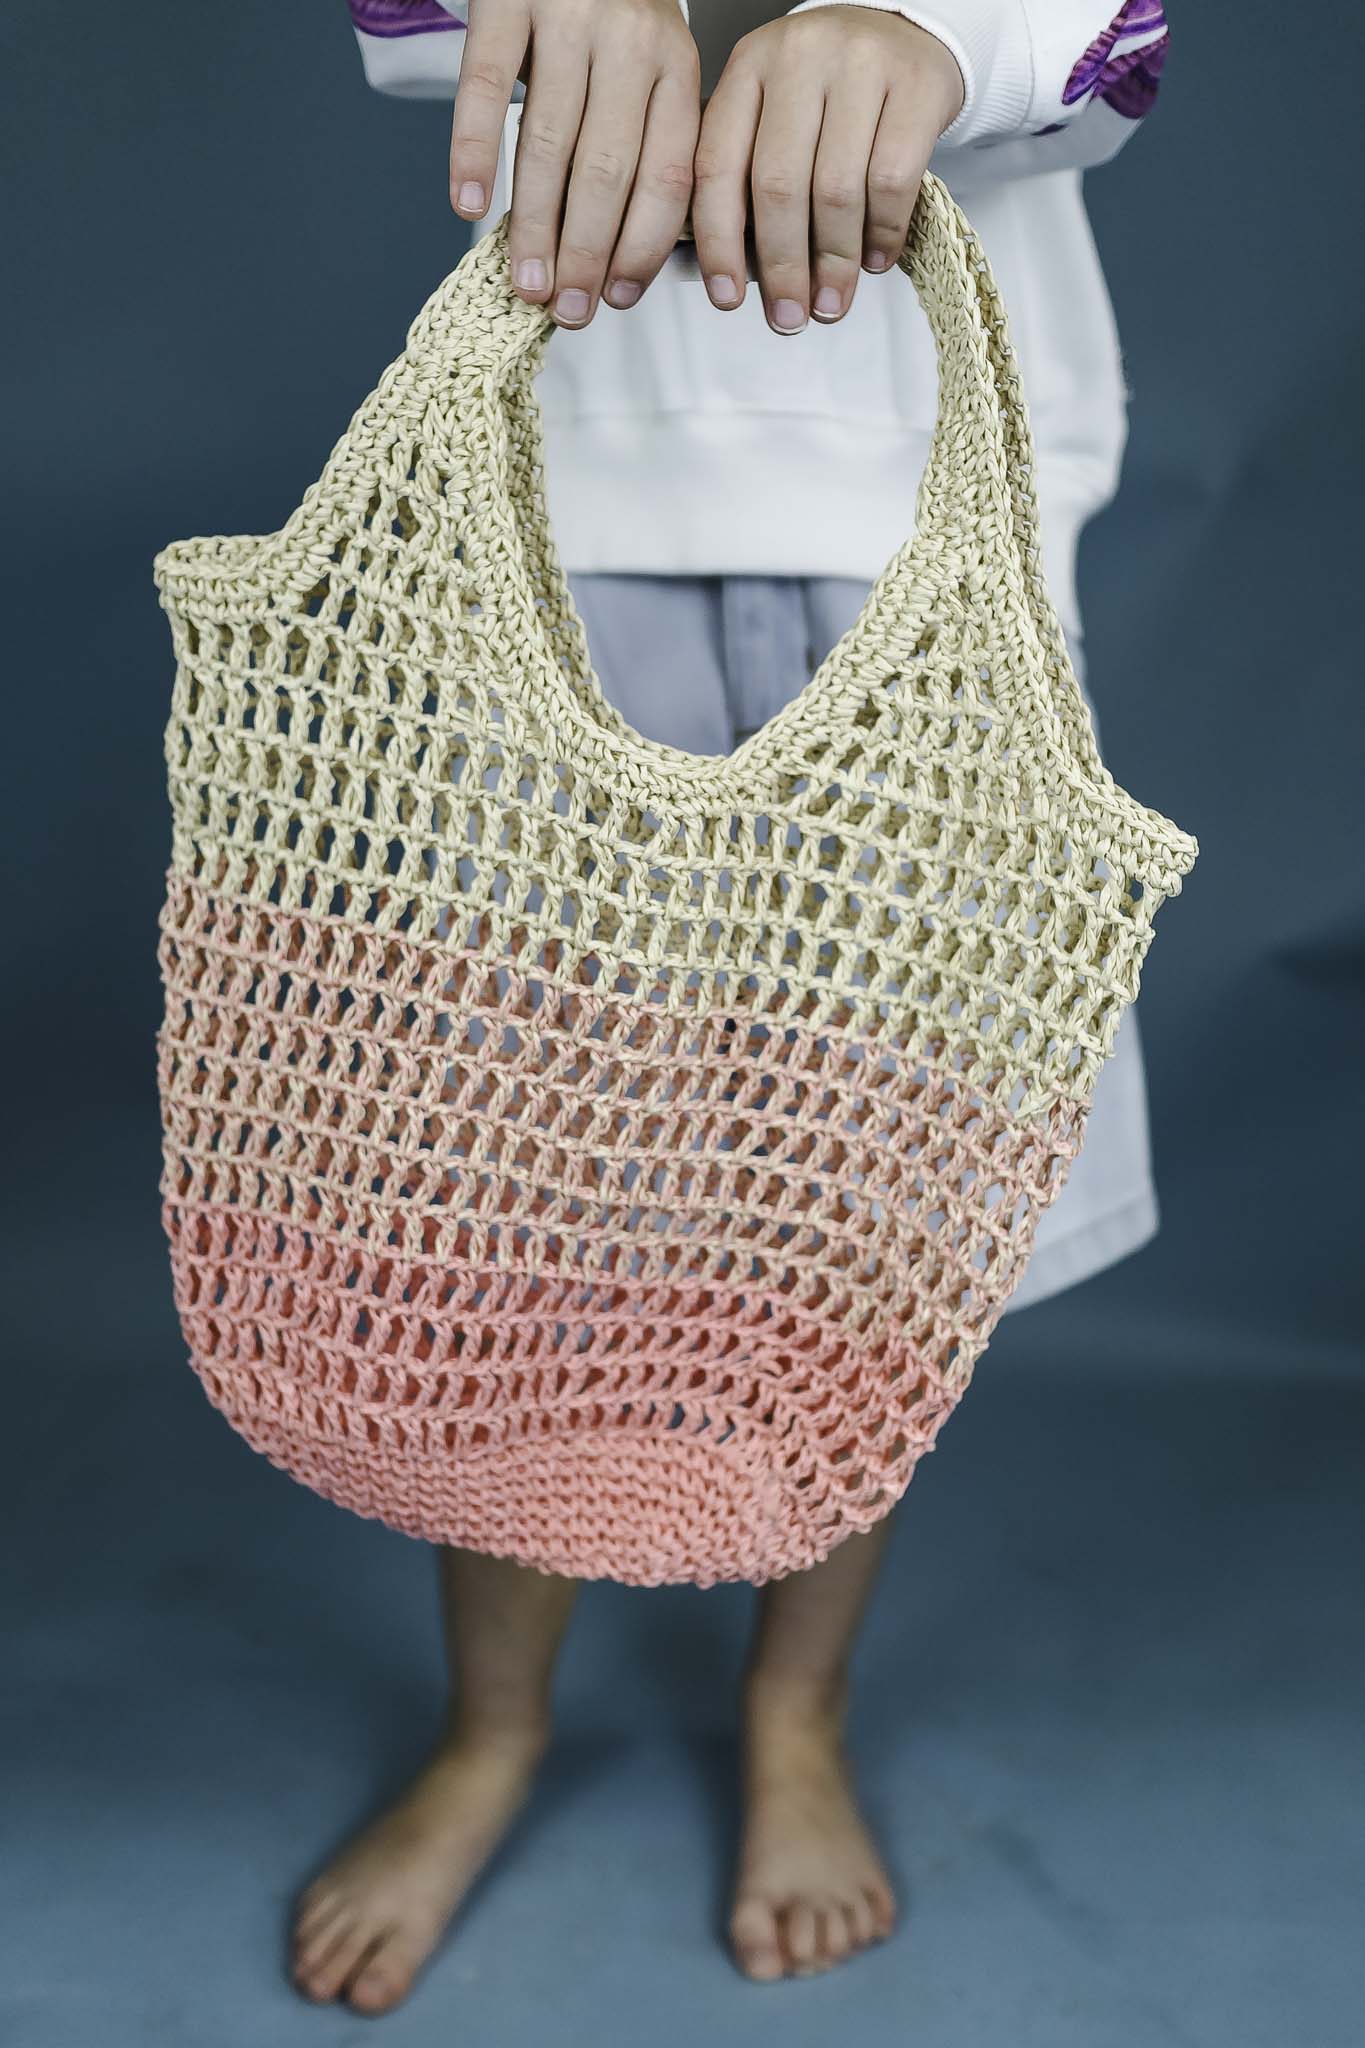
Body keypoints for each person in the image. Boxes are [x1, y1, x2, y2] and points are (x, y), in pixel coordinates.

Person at [290, 0, 1173, 2011]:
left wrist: (925, 33)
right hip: (551, 518)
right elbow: (407, 29)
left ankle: (797, 1707)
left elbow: (1114, 42)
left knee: (863, 1231)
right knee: (511, 1219)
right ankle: (492, 1728)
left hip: (923, 524)